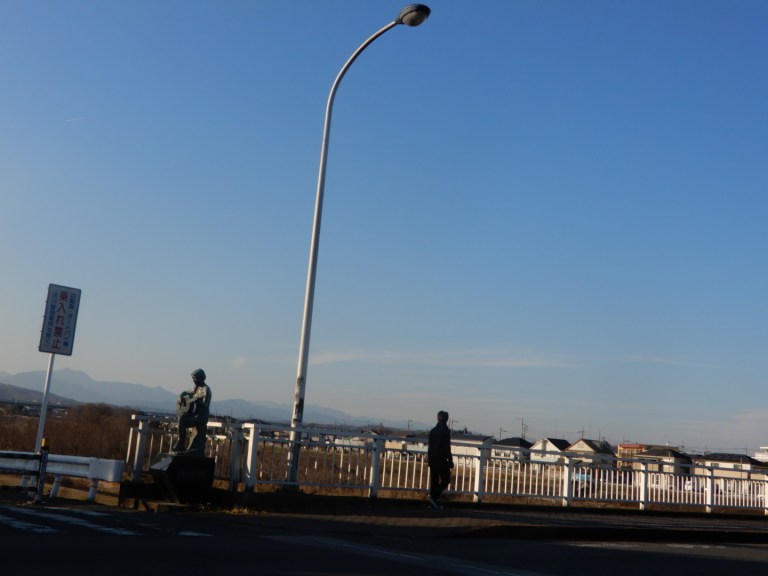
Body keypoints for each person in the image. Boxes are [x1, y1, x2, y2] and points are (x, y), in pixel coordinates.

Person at [172, 368, 212, 454]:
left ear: (201, 378)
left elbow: (206, 405)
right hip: (195, 414)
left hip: (202, 416)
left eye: (195, 378)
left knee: (183, 422)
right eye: (193, 378)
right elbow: (190, 392)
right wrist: (182, 395)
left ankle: (182, 443)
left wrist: (197, 400)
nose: (193, 380)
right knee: (182, 419)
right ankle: (181, 443)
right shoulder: (197, 387)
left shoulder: (206, 389)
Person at [427, 410, 453, 509]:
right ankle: (433, 497)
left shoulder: (433, 431)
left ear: (438, 418)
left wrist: (429, 459)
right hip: (442, 460)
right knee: (446, 479)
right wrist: (450, 460)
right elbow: (447, 448)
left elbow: (430, 447)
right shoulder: (446, 431)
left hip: (433, 459)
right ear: (446, 419)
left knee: (434, 481)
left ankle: (432, 502)